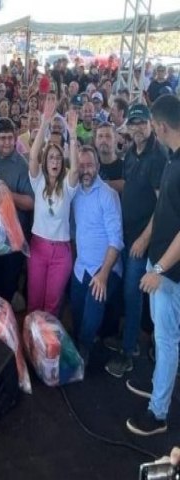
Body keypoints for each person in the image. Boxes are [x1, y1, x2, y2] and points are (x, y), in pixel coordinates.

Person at [126, 94, 180, 436]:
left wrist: (158, 269)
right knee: (163, 339)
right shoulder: (173, 158)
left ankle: (158, 413)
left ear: (159, 126)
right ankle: (160, 383)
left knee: (168, 338)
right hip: (160, 263)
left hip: (170, 273)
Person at [105, 104, 167, 378]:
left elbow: (162, 206)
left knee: (132, 294)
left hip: (141, 241)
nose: (139, 127)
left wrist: (144, 239)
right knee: (127, 293)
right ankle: (130, 342)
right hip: (126, 235)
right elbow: (129, 186)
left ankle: (129, 353)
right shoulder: (131, 154)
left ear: (152, 125)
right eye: (134, 123)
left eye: (143, 123)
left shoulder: (158, 157)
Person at [70, 145, 123, 366]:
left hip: (105, 268)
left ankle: (84, 352)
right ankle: (82, 341)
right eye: (81, 166)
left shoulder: (108, 196)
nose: (85, 170)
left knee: (92, 310)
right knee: (76, 313)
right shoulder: (75, 194)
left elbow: (116, 240)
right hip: (81, 267)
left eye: (89, 165)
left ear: (98, 166)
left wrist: (102, 275)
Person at [27, 95, 79, 316]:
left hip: (61, 253)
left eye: (58, 158)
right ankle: (30, 346)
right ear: (45, 161)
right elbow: (32, 157)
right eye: (51, 158)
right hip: (38, 248)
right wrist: (44, 123)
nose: (55, 162)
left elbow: (75, 170)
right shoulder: (37, 182)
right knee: (34, 303)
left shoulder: (68, 185)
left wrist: (73, 135)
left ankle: (47, 350)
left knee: (52, 306)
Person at [0, 118, 34, 302]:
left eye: (11, 138)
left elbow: (30, 202)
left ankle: (4, 328)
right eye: (2, 138)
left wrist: (8, 195)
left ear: (16, 137)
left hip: (13, 243)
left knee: (6, 291)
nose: (7, 142)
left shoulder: (22, 164)